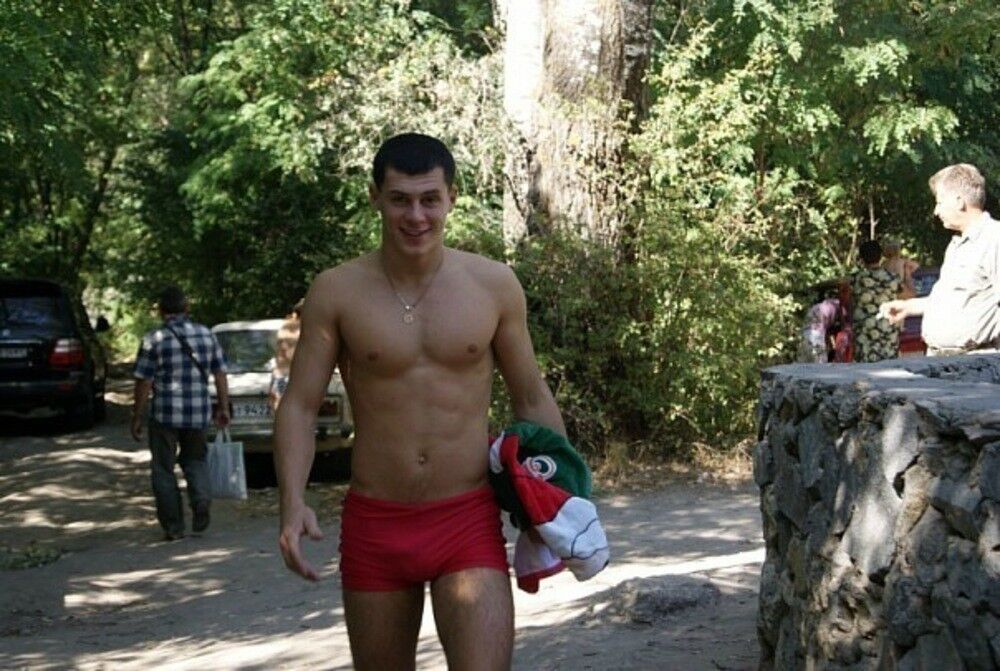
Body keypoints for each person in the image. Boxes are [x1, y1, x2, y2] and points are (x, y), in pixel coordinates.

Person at [274, 133, 567, 670]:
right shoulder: (337, 291)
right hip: (376, 522)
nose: (416, 216)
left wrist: (564, 497)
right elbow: (299, 405)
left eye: (430, 199)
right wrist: (292, 501)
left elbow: (530, 396)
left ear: (452, 196)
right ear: (375, 198)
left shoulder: (493, 285)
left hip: (466, 516)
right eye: (400, 200)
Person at [131, 286, 230, 541]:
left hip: (165, 415)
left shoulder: (154, 338)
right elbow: (220, 373)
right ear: (187, 308)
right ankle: (201, 500)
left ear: (161, 311)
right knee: (196, 460)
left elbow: (144, 381)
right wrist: (223, 406)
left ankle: (174, 527)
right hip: (198, 414)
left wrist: (137, 416)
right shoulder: (206, 335)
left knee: (163, 468)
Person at [881, 163, 1000, 356]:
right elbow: (952, 300)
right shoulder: (957, 245)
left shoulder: (994, 239)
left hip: (976, 362)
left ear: (959, 201)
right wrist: (908, 307)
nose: (936, 211)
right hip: (941, 360)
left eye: (939, 202)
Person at [850, 240, 900, 362]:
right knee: (890, 369)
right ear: (880, 256)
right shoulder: (892, 278)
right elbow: (909, 294)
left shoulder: (855, 279)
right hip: (888, 335)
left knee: (866, 371)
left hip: (865, 336)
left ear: (861, 258)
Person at [268, 299, 303, 411]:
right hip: (288, 376)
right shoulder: (298, 329)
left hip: (281, 374)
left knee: (280, 410)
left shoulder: (285, 327)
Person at [797, 296, 840, 363]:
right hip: (817, 334)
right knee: (820, 362)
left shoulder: (819, 306)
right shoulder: (833, 307)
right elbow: (828, 326)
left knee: (804, 362)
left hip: (805, 333)